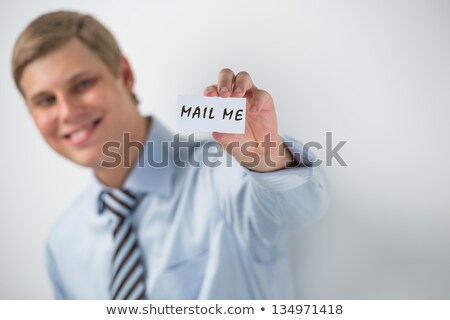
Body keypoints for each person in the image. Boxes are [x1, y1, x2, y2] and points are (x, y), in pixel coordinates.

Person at [12, 10, 329, 299]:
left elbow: (299, 209)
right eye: (45, 101)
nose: (67, 112)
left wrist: (265, 156)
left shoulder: (222, 173)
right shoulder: (63, 243)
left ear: (123, 74)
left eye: (82, 84)